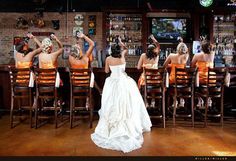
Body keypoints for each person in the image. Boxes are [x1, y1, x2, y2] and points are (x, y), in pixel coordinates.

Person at [91, 37, 152, 153]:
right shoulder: (122, 56)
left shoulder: (108, 58)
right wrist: (121, 42)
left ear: (110, 51)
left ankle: (112, 127)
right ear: (119, 50)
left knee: (112, 104)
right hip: (124, 82)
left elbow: (106, 72)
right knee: (126, 104)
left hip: (112, 82)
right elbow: (126, 48)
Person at [163, 42, 189, 107]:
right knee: (181, 86)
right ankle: (181, 99)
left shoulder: (171, 55)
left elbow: (164, 65)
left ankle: (175, 100)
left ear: (177, 48)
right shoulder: (186, 56)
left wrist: (172, 65)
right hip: (183, 79)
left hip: (173, 78)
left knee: (171, 86)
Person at [191, 40, 215, 108]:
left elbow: (191, 66)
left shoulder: (197, 55)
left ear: (201, 48)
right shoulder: (212, 55)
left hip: (200, 79)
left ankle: (200, 99)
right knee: (210, 85)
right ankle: (209, 100)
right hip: (211, 79)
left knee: (193, 83)